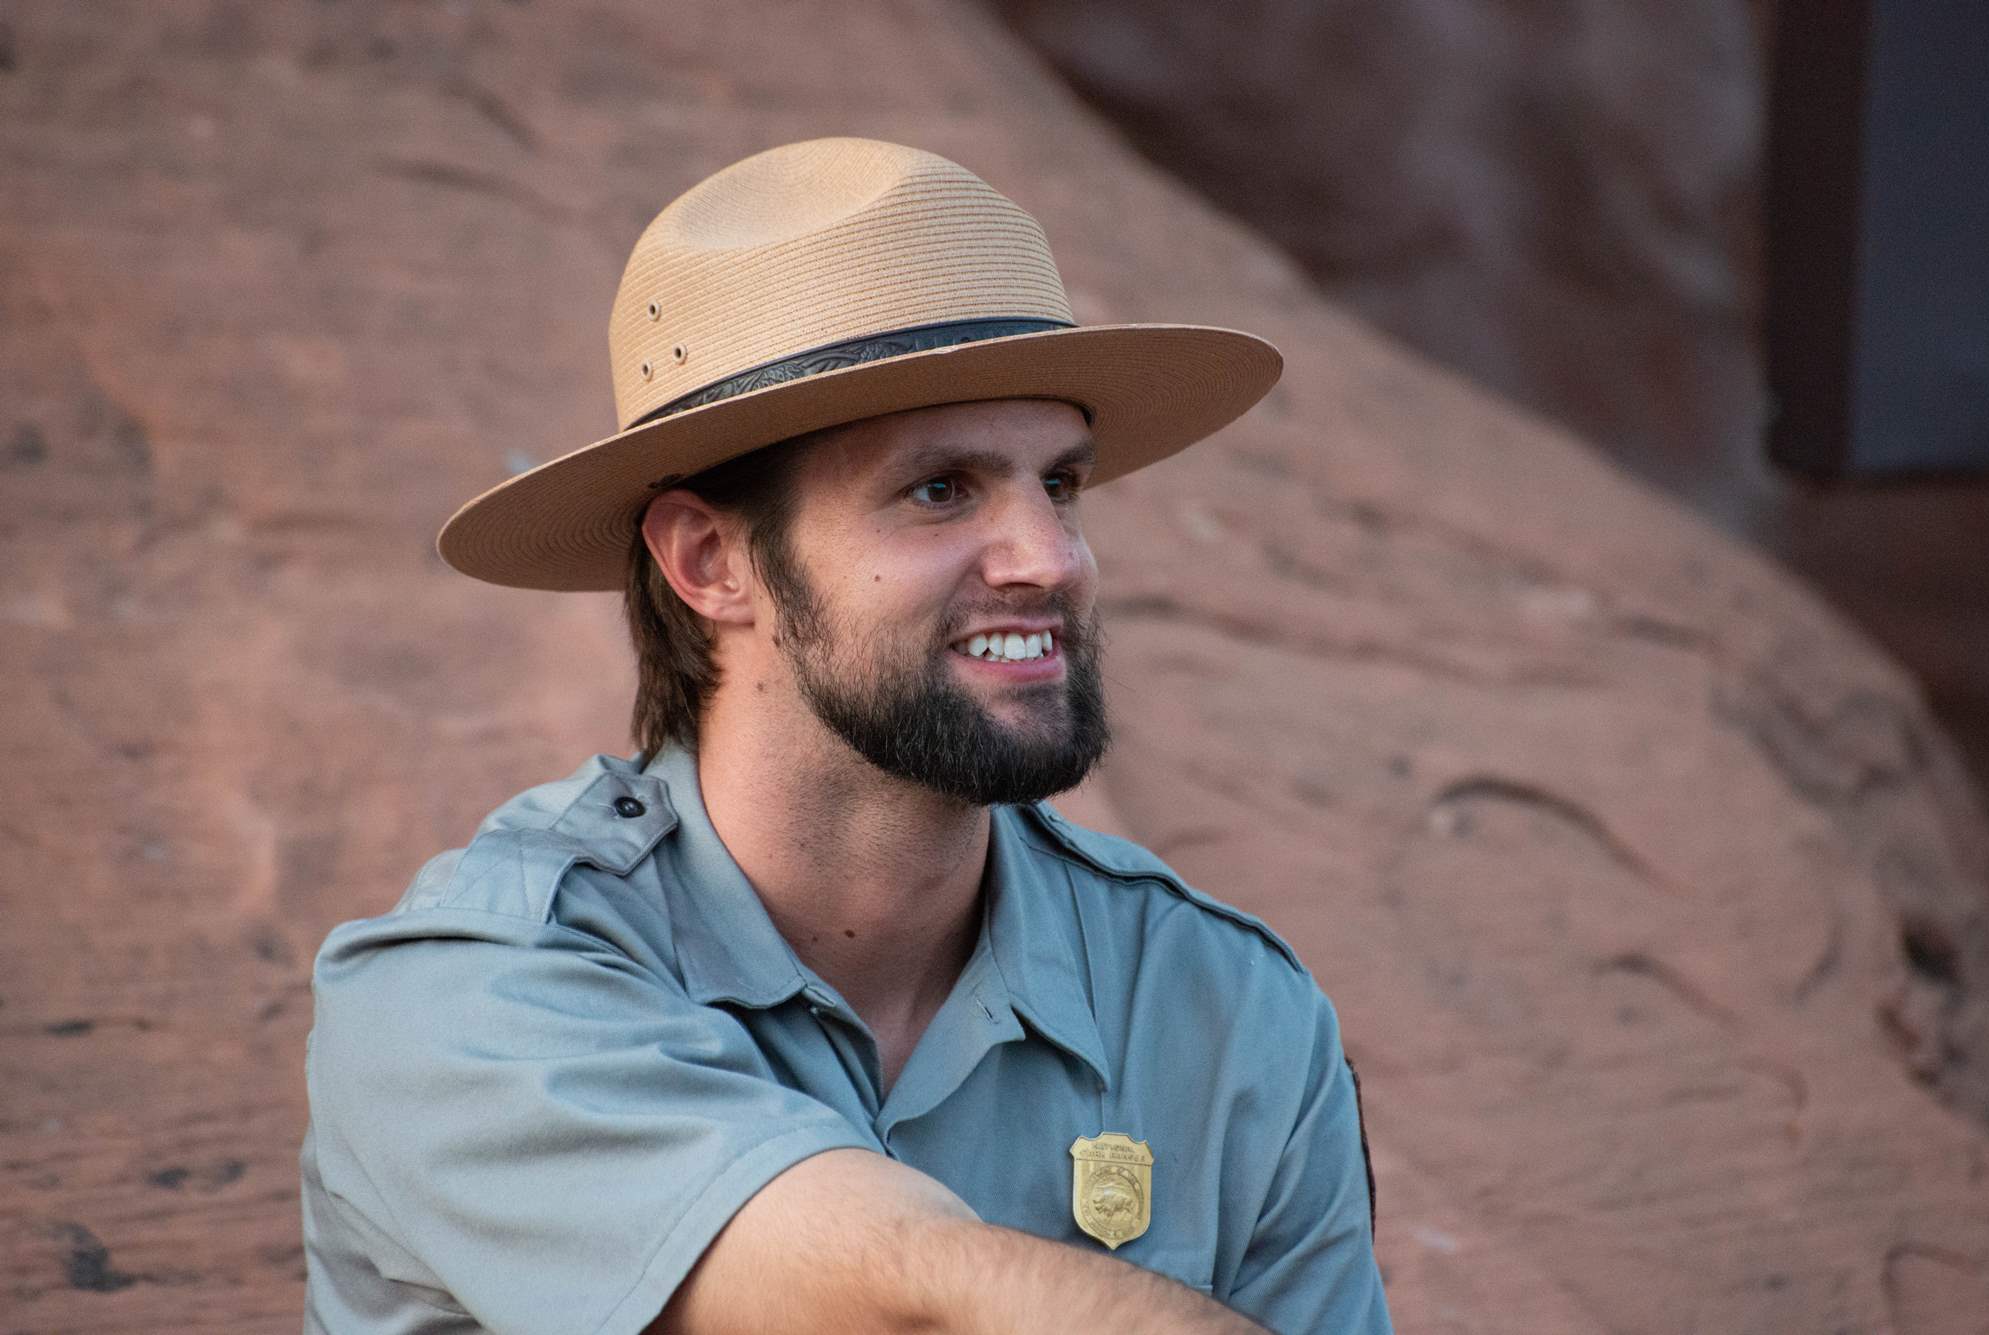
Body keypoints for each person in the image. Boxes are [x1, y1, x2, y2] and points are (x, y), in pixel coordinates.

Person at [301, 137, 1391, 1335]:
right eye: (940, 490)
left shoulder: (1223, 1009)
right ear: (711, 562)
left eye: (1060, 486)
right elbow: (895, 1307)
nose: (1051, 560)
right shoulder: (471, 993)